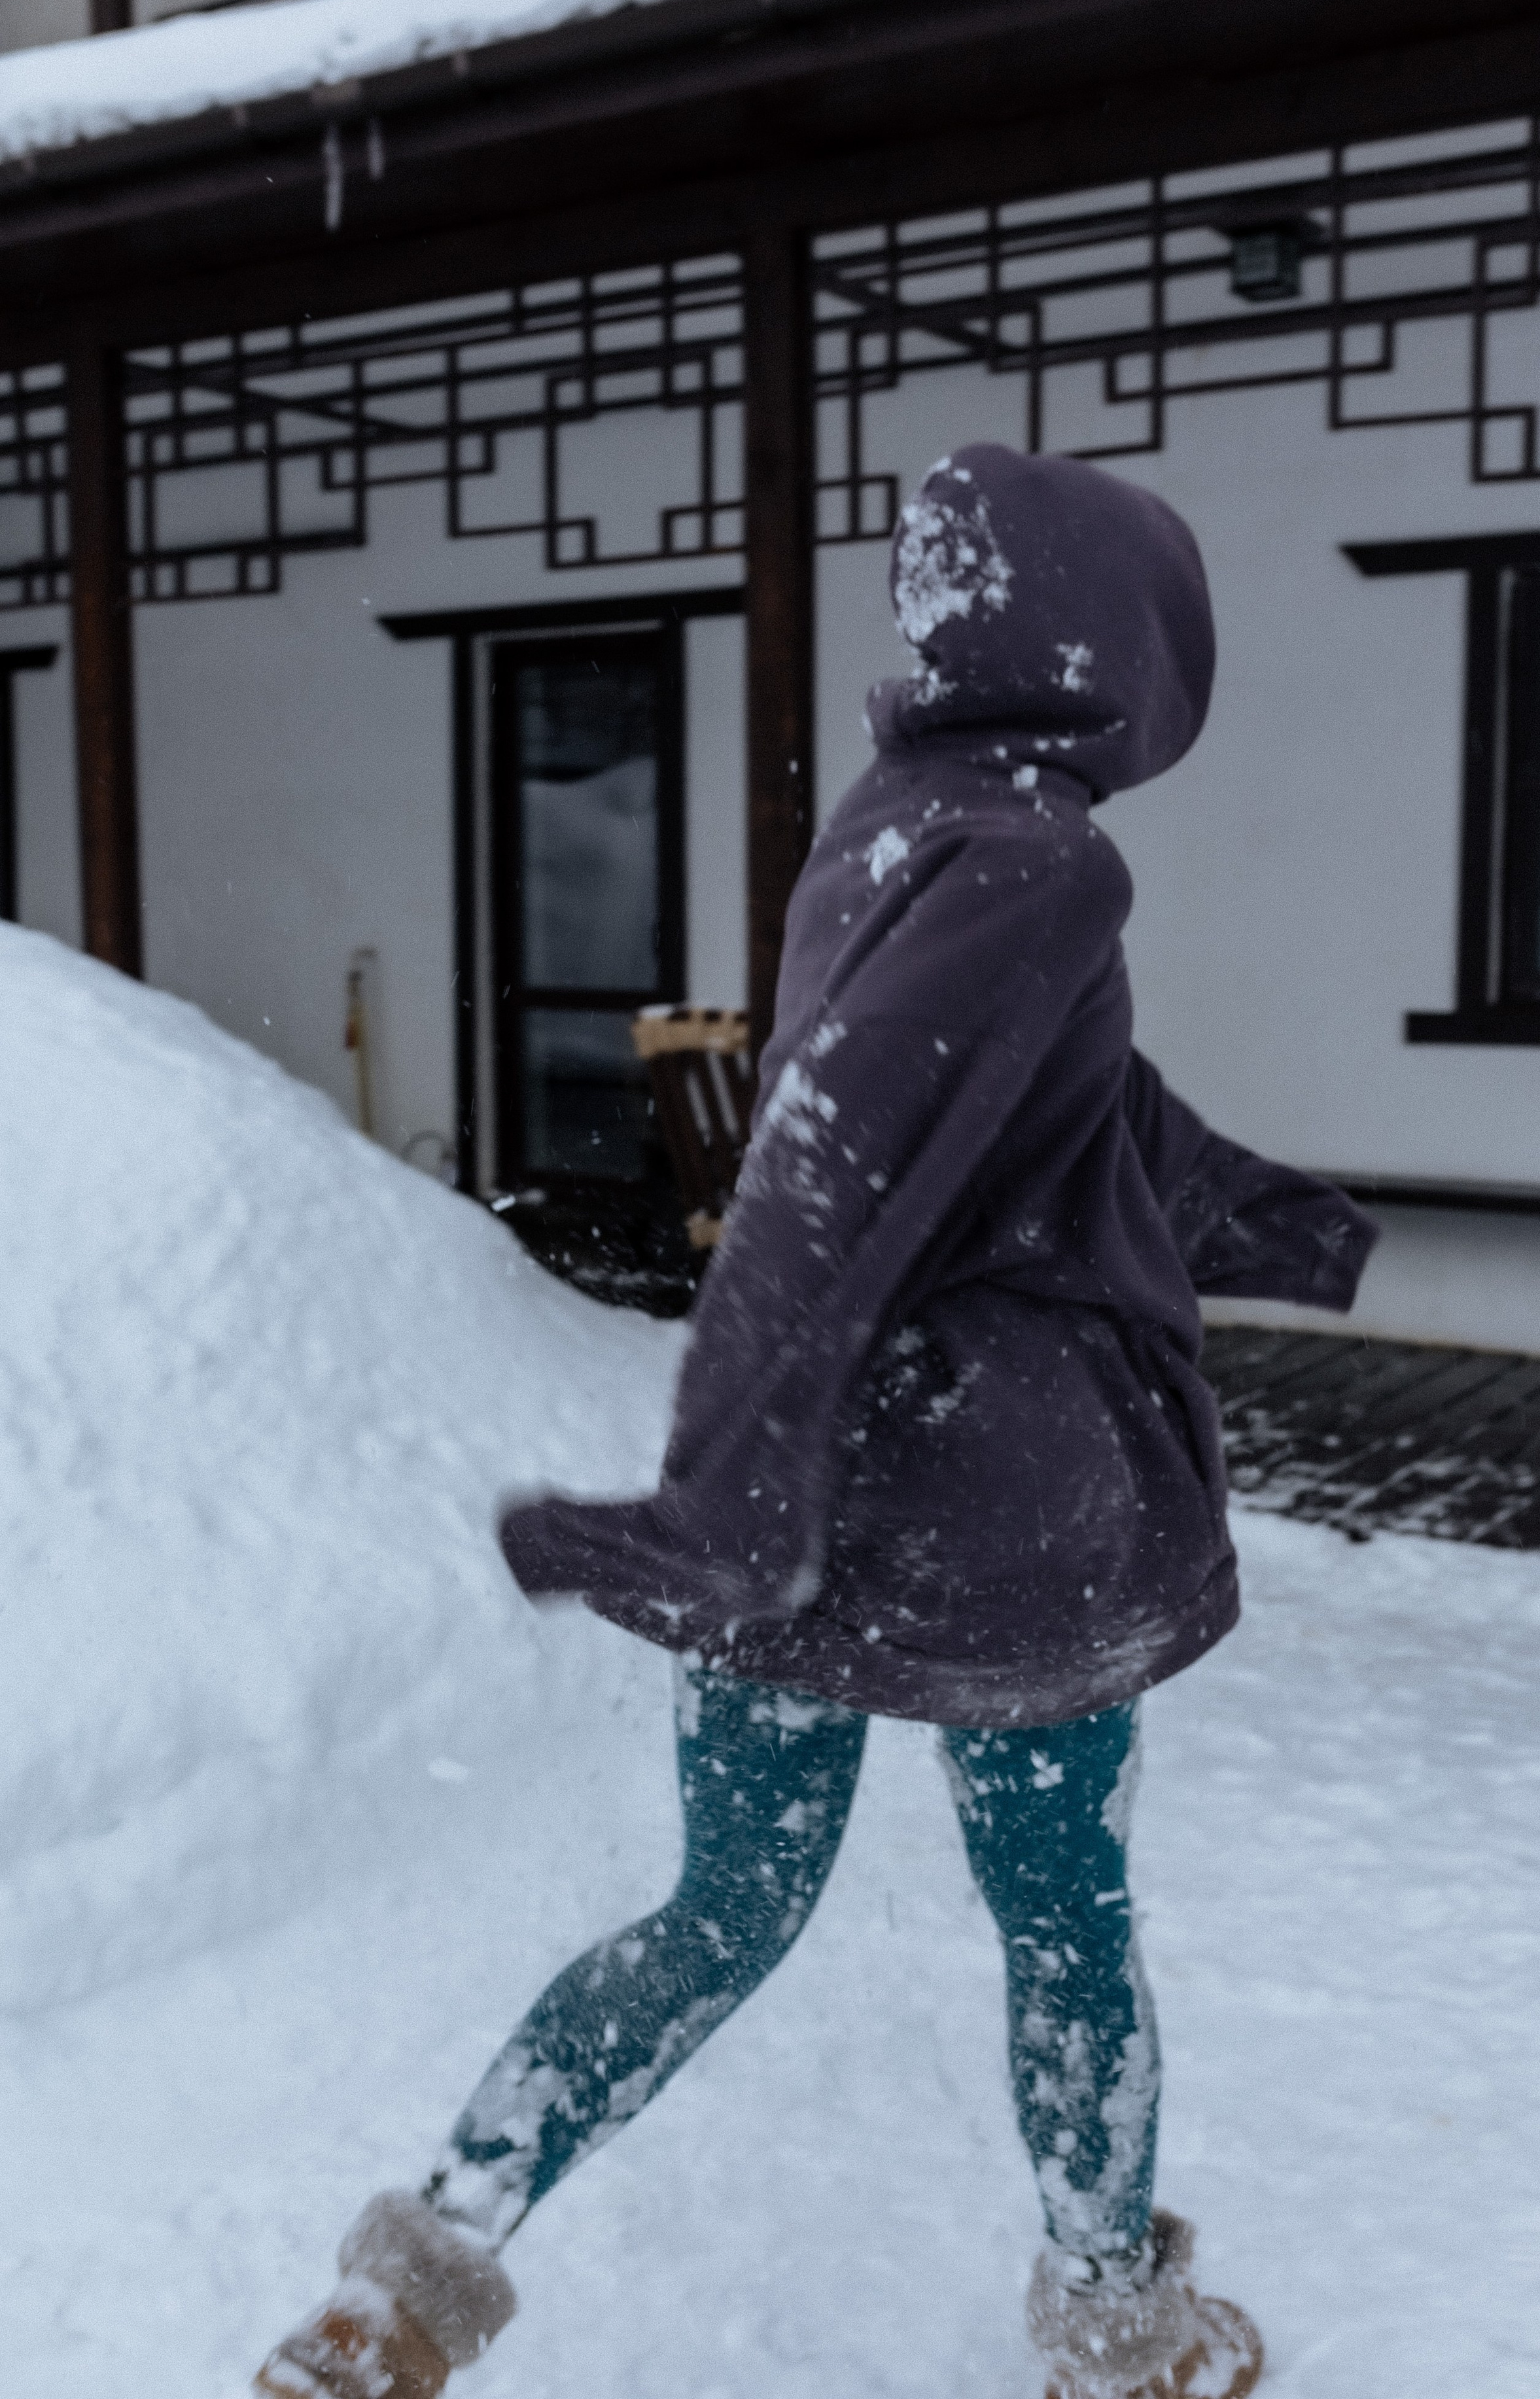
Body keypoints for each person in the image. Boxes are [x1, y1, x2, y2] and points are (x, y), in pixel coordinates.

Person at [255, 444, 1377, 2399]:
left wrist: (1294, 1225)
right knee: (1070, 1935)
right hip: (1004, 1517)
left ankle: (410, 2286)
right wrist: (719, 1489)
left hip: (824, 1503)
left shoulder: (903, 820)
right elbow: (823, 1162)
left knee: (717, 1915)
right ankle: (1124, 2340)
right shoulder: (1033, 854)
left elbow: (1070, 1122)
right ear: (1114, 645)